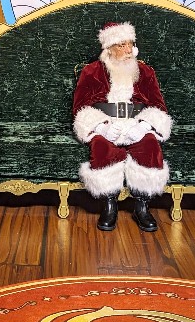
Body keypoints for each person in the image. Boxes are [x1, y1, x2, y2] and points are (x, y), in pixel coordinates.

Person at [73, 21, 172, 232]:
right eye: (121, 45)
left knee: (150, 146)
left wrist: (144, 126)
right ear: (109, 48)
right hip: (106, 123)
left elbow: (159, 106)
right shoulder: (91, 72)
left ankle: (142, 207)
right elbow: (80, 108)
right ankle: (109, 205)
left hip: (136, 123)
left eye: (130, 44)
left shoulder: (145, 72)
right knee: (101, 147)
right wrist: (101, 127)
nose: (128, 50)